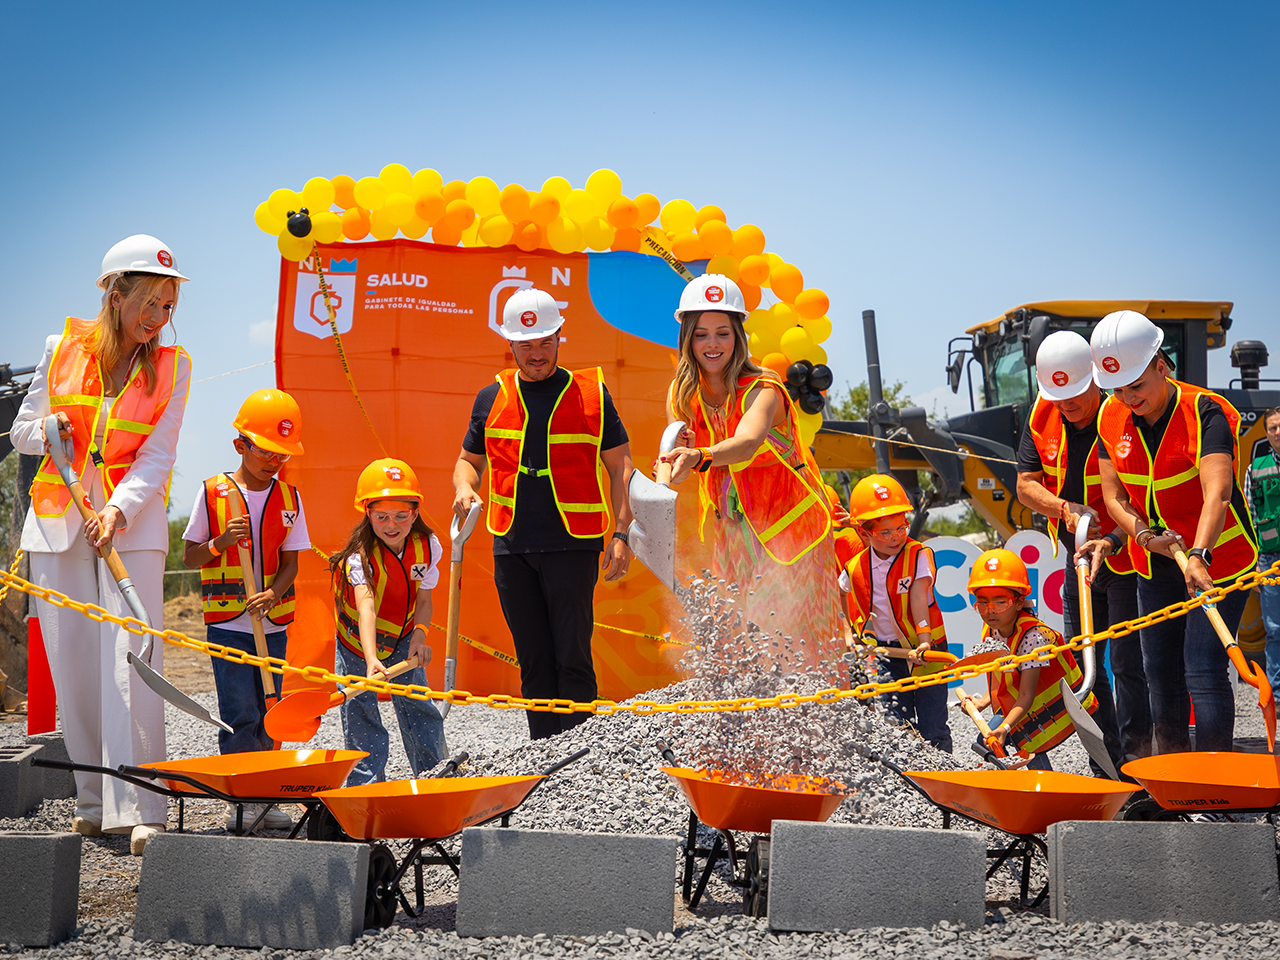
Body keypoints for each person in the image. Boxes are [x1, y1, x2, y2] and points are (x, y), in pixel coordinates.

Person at [12, 234, 191, 854]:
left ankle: (143, 807)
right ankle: (92, 802)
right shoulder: (60, 348)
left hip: (130, 525)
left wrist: (117, 510)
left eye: (168, 306)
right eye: (149, 303)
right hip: (59, 521)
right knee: (74, 663)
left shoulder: (175, 367)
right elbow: (21, 432)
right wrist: (49, 427)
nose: (158, 317)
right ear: (114, 295)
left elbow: (159, 453)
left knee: (132, 659)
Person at [452, 287, 634, 740]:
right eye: (526, 344)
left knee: (572, 658)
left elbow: (620, 467)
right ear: (510, 344)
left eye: (545, 342)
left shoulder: (592, 394)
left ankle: (578, 758)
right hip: (511, 546)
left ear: (559, 336)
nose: (536, 353)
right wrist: (464, 487)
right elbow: (468, 462)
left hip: (573, 544)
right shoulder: (490, 397)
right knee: (532, 661)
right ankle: (544, 754)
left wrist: (622, 534)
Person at [1092, 310, 1259, 754]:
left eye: (1136, 385)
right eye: (1117, 389)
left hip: (1217, 559)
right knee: (1160, 673)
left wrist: (1199, 554)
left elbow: (1218, 493)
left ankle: (1214, 779)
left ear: (1162, 366)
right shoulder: (1110, 416)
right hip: (1157, 562)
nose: (1128, 398)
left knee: (1202, 668)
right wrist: (1145, 538)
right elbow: (1114, 498)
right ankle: (1173, 773)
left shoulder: (1204, 412)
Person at [661, 275, 842, 669]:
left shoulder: (763, 388)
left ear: (738, 336)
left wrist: (699, 454)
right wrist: (670, 467)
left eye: (722, 333)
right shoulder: (682, 393)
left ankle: (822, 706)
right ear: (687, 338)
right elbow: (680, 467)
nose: (712, 344)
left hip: (793, 530)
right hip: (734, 535)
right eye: (701, 334)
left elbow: (747, 442)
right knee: (740, 642)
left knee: (800, 641)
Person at [1016, 330, 1149, 771]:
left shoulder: (1122, 414)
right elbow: (1025, 485)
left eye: (1074, 393)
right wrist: (1063, 508)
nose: (1067, 404)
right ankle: (1107, 761)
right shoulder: (1041, 415)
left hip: (1126, 556)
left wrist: (1114, 537)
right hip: (1079, 560)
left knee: (1127, 663)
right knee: (1082, 660)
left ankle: (1138, 761)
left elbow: (1142, 493)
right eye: (1058, 396)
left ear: (1095, 378)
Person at [181, 389, 309, 829]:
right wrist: (220, 542)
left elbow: (292, 563)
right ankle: (242, 800)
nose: (274, 461)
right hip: (228, 626)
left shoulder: (290, 498)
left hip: (273, 626)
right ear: (241, 444)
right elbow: (190, 557)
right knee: (241, 713)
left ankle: (266, 797)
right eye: (266, 451)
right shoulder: (212, 493)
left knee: (271, 711)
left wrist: (273, 593)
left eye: (282, 453)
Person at [330, 458, 446, 783]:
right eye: (381, 516)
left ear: (415, 513)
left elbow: (424, 600)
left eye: (400, 515)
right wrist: (370, 659)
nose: (391, 524)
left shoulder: (429, 547)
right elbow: (365, 606)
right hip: (357, 644)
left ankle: (435, 780)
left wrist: (419, 637)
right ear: (368, 513)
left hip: (403, 638)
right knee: (361, 713)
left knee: (419, 707)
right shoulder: (359, 557)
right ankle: (366, 789)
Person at [840, 474, 953, 752]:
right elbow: (839, 593)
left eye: (901, 527)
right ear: (864, 534)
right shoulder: (855, 566)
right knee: (896, 723)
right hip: (888, 655)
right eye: (886, 532)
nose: (896, 537)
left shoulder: (918, 555)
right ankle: (907, 771)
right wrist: (847, 633)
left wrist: (924, 641)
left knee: (932, 724)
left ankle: (944, 769)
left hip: (927, 650)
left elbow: (918, 597)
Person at [960, 549, 1098, 770]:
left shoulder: (1033, 637)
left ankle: (1044, 785)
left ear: (1018, 602)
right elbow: (1002, 677)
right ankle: (1024, 784)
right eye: (982, 603)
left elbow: (1026, 695)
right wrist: (982, 702)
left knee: (1020, 740)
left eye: (1000, 602)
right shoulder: (991, 630)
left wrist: (1005, 727)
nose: (990, 611)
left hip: (1050, 705)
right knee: (991, 742)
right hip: (1021, 704)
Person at [1246, 407, 1280, 705]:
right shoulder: (1255, 469)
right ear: (1266, 433)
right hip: (1270, 560)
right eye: (1272, 428)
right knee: (1275, 629)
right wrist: (1255, 563)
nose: (1278, 432)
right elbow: (1250, 518)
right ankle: (1277, 696)